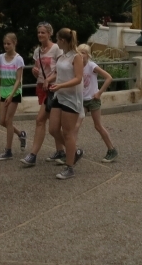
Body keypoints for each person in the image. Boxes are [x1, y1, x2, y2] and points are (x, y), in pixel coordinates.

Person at [21, 22, 62, 168]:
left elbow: (61, 70)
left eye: (43, 32)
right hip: (41, 87)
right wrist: (34, 71)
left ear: (49, 33)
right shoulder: (37, 50)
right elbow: (37, 68)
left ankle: (33, 155)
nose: (40, 35)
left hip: (53, 88)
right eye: (39, 32)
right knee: (54, 124)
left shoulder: (56, 49)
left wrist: (49, 79)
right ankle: (61, 150)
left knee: (40, 120)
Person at [48, 28, 84, 180]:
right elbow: (59, 74)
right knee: (53, 129)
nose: (56, 41)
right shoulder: (62, 57)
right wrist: (51, 80)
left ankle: (69, 167)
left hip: (71, 98)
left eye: (57, 39)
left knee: (68, 133)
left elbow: (78, 78)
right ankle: (73, 152)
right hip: (59, 96)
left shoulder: (76, 57)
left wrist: (61, 85)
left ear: (63, 40)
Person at [77, 43, 117, 162]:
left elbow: (109, 77)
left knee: (98, 125)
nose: (81, 55)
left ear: (88, 55)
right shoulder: (77, 66)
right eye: (79, 52)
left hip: (93, 100)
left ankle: (111, 149)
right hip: (82, 100)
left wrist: (99, 93)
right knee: (76, 125)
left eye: (83, 53)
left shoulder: (91, 66)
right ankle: (71, 151)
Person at [0, 33, 26, 161]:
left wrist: (12, 95)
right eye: (4, 43)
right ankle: (20, 134)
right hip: (3, 91)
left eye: (9, 44)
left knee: (9, 120)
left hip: (14, 92)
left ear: (14, 43)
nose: (6, 46)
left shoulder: (18, 59)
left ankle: (8, 150)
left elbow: (18, 79)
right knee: (2, 121)